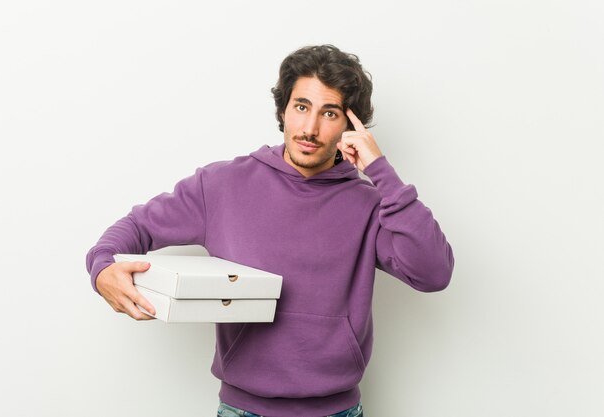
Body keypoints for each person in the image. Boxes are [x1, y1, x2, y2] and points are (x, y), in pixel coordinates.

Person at [86, 44, 454, 417]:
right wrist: (102, 268)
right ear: (283, 109)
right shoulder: (222, 184)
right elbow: (135, 227)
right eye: (301, 107)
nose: (310, 128)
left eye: (329, 113)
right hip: (243, 409)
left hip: (337, 411)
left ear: (350, 125)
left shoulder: (372, 204)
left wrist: (380, 170)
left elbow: (434, 273)